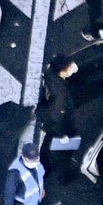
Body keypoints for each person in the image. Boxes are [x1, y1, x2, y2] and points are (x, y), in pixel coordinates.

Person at [37, 55, 81, 184]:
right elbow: (57, 115)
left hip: (48, 120)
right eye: (70, 67)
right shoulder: (61, 93)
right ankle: (64, 176)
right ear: (63, 69)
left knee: (47, 147)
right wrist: (62, 135)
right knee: (65, 152)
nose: (73, 69)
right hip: (60, 126)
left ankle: (43, 169)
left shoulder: (51, 76)